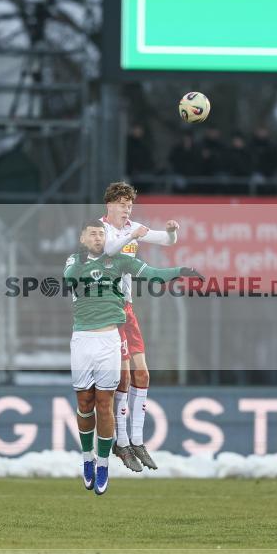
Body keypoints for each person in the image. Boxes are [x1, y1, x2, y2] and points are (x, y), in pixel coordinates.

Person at [64, 219, 201, 495]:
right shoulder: (73, 260)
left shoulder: (119, 262)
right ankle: (87, 458)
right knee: (84, 403)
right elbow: (70, 280)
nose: (98, 238)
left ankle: (102, 464)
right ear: (82, 238)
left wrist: (180, 271)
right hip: (82, 340)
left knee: (104, 403)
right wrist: (82, 259)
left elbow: (151, 274)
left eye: (101, 234)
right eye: (92, 234)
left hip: (109, 341)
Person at [100, 182, 180, 472]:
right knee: (123, 377)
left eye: (130, 205)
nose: (126, 209)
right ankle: (120, 442)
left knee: (142, 372)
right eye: (122, 204)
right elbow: (108, 250)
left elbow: (166, 241)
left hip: (127, 309)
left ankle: (136, 439)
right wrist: (131, 235)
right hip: (107, 309)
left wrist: (172, 230)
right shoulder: (102, 230)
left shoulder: (133, 227)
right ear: (109, 205)